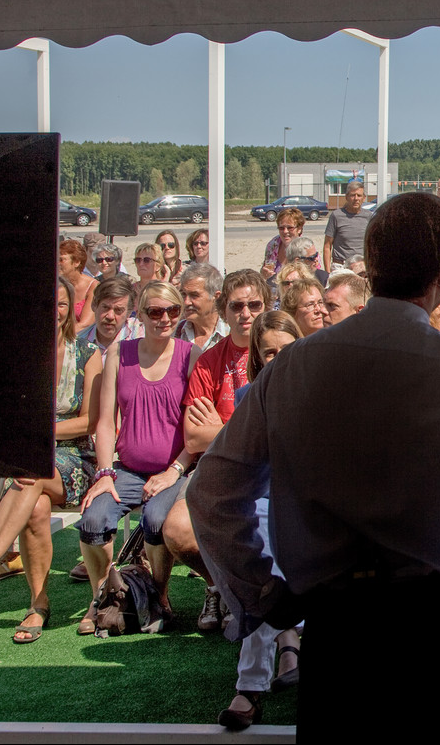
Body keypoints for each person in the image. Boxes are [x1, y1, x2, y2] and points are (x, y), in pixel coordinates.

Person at [190, 193, 440, 740]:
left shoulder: (292, 370)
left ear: (369, 266)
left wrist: (262, 594)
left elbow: (210, 495)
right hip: (439, 626)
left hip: (338, 630)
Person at [0, 276, 103, 643]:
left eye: (62, 304)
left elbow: (89, 421)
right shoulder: (16, 353)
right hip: (29, 461)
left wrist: (37, 432)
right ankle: (38, 603)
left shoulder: (87, 353)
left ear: (71, 309)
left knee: (31, 473)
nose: (56, 311)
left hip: (73, 458)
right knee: (35, 508)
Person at [76, 281, 197, 634]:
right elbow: (104, 421)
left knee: (157, 521)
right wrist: (102, 473)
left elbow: (196, 429)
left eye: (173, 311)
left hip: (172, 471)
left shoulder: (191, 355)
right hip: (126, 469)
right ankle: (102, 596)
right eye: (156, 311)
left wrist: (175, 470)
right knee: (93, 522)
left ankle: (159, 596)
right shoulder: (119, 353)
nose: (165, 319)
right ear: (140, 314)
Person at [162, 269, 271, 633]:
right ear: (224, 310)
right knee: (176, 529)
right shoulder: (209, 362)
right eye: (237, 306)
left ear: (266, 306)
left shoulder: (282, 350)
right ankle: (220, 585)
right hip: (217, 467)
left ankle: (261, 599)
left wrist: (221, 428)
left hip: (273, 470)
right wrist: (247, 429)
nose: (246, 313)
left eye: (254, 304)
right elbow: (193, 438)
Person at [215, 309, 303, 730]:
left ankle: (259, 676)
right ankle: (251, 683)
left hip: (313, 506)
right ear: (257, 356)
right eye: (268, 352)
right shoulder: (250, 395)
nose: (277, 359)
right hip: (265, 503)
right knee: (264, 567)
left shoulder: (322, 392)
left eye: (285, 350)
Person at [77, 276, 141, 353]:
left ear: (129, 313)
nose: (110, 316)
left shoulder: (142, 336)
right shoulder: (78, 343)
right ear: (94, 306)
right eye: (105, 308)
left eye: (118, 310)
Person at [175, 263, 230, 351]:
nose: (186, 302)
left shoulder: (232, 333)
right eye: (183, 294)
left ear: (216, 297)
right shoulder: (175, 333)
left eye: (194, 295)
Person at [322, 181, 371, 273]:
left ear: (364, 198)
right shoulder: (336, 216)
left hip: (361, 267)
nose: (356, 198)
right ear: (347, 197)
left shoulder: (369, 216)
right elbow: (327, 246)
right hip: (341, 267)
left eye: (359, 195)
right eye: (352, 195)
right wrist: (327, 272)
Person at [59, 238, 97, 331]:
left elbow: (86, 324)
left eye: (61, 260)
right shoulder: (56, 285)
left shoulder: (93, 286)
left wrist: (59, 336)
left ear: (76, 262)